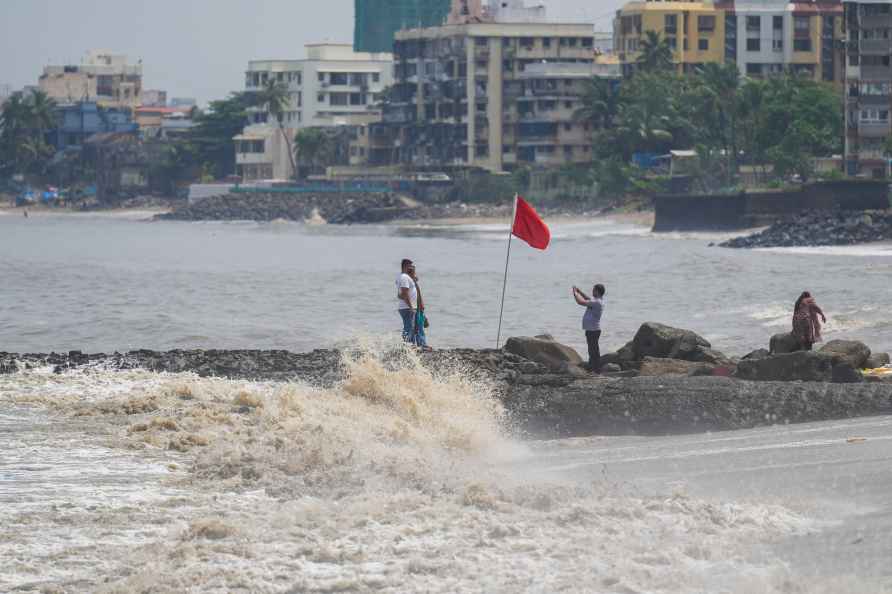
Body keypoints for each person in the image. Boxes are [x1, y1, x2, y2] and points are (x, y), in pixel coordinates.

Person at [573, 284, 606, 374]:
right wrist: (580, 292)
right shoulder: (596, 301)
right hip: (592, 329)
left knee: (593, 351)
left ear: (598, 291)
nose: (592, 291)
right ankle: (593, 368)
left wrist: (575, 294)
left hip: (593, 330)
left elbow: (580, 302)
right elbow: (587, 298)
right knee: (592, 350)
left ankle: (596, 370)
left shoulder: (597, 302)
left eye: (594, 290)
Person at [409, 264, 432, 351]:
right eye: (414, 273)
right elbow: (415, 296)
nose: (416, 275)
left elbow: (418, 295)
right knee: (418, 326)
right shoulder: (411, 282)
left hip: (418, 307)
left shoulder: (414, 282)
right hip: (416, 307)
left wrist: (421, 304)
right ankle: (421, 344)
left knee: (419, 325)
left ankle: (420, 344)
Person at [396, 259, 418, 343]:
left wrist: (413, 274)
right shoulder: (404, 277)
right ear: (405, 266)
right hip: (407, 307)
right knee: (408, 328)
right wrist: (411, 307)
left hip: (406, 306)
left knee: (410, 328)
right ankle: (406, 346)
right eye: (410, 266)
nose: (412, 267)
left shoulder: (405, 276)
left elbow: (400, 294)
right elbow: (404, 293)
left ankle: (410, 346)